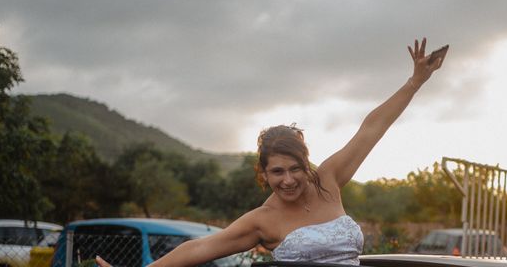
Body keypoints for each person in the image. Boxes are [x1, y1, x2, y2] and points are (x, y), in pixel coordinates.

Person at [95, 38, 448, 266]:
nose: (289, 179)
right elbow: (199, 249)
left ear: (306, 163)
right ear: (263, 174)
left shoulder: (329, 180)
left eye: (295, 168)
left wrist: (414, 82)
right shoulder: (263, 220)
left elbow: (371, 128)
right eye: (277, 172)